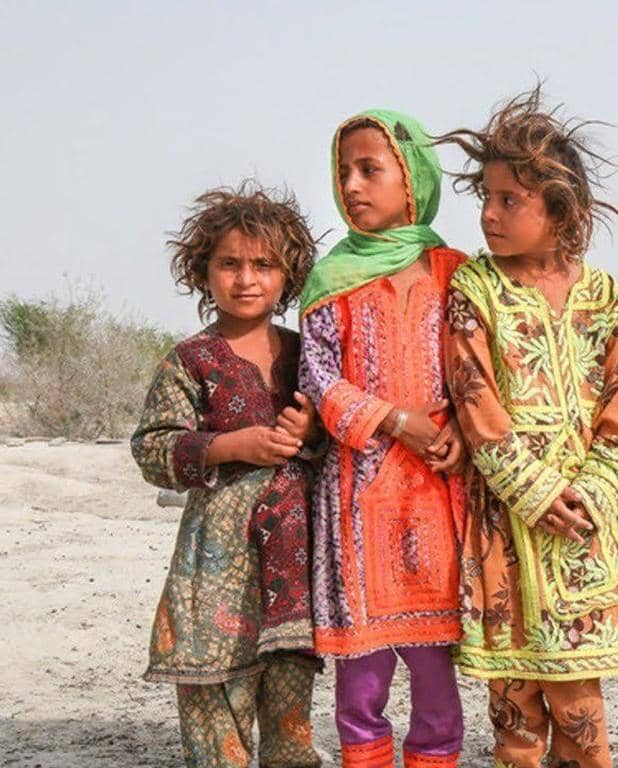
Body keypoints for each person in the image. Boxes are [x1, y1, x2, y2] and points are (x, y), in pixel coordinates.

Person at [439, 87, 618, 767]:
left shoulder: (607, 298)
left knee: (579, 706)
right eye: (487, 197)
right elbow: (476, 406)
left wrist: (590, 493)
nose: (489, 214)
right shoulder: (476, 290)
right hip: (507, 523)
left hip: (584, 530)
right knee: (514, 708)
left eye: (509, 200)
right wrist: (533, 492)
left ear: (560, 209)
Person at [298, 110, 467, 768]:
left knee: (433, 674)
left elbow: (480, 368)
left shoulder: (456, 272)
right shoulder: (330, 279)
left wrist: (458, 425)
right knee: (360, 679)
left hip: (435, 492)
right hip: (355, 497)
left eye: (371, 169)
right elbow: (316, 376)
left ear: (414, 177)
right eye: (344, 171)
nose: (352, 185)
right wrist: (396, 420)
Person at [132, 182, 321, 768]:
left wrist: (311, 432)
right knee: (218, 714)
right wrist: (229, 444)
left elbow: (337, 440)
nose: (246, 279)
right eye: (229, 264)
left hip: (294, 570)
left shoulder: (307, 353)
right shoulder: (190, 359)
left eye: (264, 265)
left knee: (291, 724)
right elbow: (152, 448)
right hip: (217, 563)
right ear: (203, 271)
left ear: (288, 274)